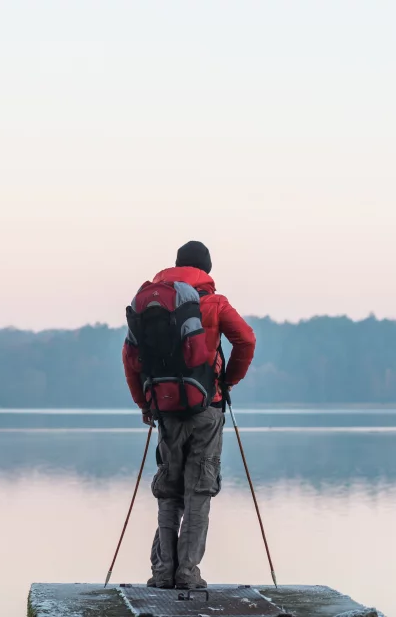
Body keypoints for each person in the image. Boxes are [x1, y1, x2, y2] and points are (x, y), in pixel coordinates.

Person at [122, 240, 256, 590]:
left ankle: (162, 573)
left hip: (164, 411)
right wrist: (228, 382)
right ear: (206, 270)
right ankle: (187, 573)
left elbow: (129, 357)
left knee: (169, 492)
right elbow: (246, 340)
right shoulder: (213, 302)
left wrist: (144, 404)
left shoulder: (149, 304)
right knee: (198, 490)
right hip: (205, 408)